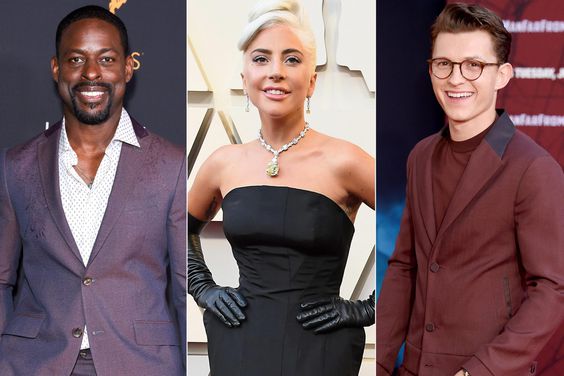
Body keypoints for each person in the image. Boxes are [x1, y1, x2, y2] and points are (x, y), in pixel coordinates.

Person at [187, 1, 375, 375]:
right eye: (261, 59)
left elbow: (424, 233)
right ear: (244, 78)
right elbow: (175, 229)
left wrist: (366, 309)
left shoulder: (346, 160)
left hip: (321, 349)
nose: (275, 72)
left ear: (312, 80)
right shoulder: (224, 163)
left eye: (291, 59)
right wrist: (203, 287)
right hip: (240, 345)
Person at [377, 3, 564, 376]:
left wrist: (480, 370)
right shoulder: (421, 156)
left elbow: (552, 288)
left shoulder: (534, 168)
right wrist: (379, 362)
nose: (456, 79)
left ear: (503, 75)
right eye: (443, 64)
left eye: (473, 65)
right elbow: (404, 267)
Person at [0, 6, 186, 375]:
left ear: (128, 68)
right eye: (76, 59)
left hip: (141, 364)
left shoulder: (171, 165)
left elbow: (183, 286)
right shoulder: (15, 165)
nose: (91, 73)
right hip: (35, 364)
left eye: (106, 59)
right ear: (57, 68)